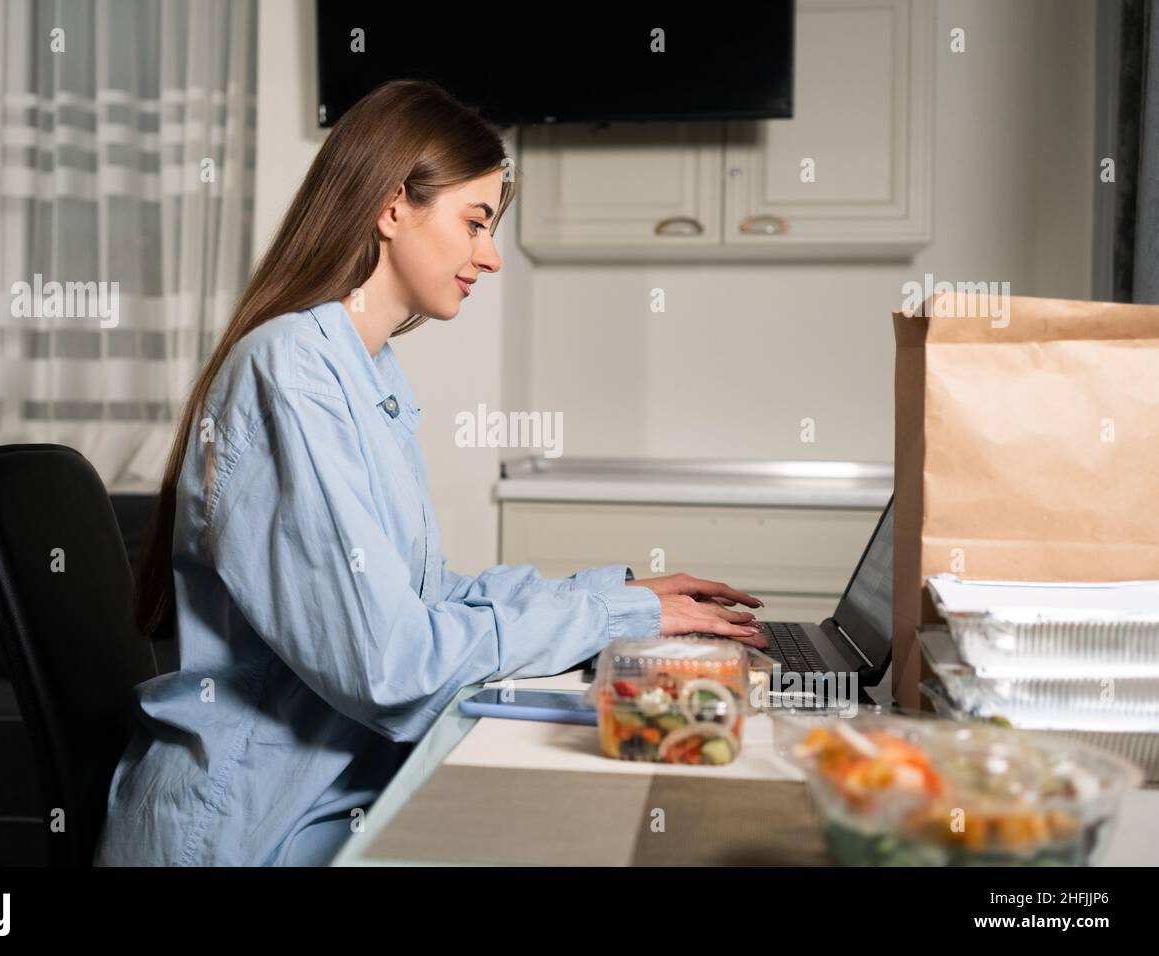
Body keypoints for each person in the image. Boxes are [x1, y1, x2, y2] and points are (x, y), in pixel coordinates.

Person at [94, 79, 766, 867]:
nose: (489, 257)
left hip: (330, 787)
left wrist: (613, 598)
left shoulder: (364, 370)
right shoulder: (290, 370)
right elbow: (392, 665)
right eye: (476, 223)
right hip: (250, 821)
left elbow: (422, 600)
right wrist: (614, 618)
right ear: (392, 207)